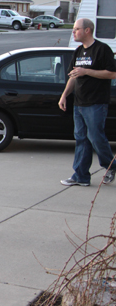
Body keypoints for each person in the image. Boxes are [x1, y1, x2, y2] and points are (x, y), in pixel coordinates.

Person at [59, 18, 116, 187]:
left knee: (95, 137)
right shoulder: (78, 52)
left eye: (76, 29)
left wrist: (87, 71)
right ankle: (81, 176)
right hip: (79, 103)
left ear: (87, 30)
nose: (73, 32)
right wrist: (64, 95)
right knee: (81, 139)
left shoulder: (102, 49)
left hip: (96, 102)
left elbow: (112, 74)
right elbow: (73, 77)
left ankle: (111, 166)